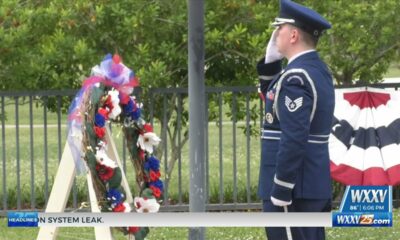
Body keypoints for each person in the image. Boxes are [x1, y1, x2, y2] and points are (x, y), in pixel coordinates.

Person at [256, 0, 334, 239]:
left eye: (279, 28)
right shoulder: (314, 70)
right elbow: (272, 96)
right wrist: (271, 62)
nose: (275, 33)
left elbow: (294, 137)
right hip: (308, 183)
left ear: (293, 35)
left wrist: (282, 187)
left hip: (294, 188)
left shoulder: (296, 77)